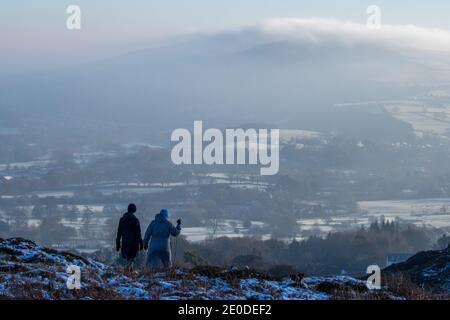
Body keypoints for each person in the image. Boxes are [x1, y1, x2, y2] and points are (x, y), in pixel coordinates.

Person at [116, 203, 143, 271]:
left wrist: (118, 244)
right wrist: (141, 243)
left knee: (128, 258)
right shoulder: (135, 220)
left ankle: (127, 272)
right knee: (131, 259)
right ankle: (129, 271)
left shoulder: (122, 220)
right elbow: (138, 233)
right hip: (133, 243)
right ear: (134, 210)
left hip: (125, 242)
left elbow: (119, 232)